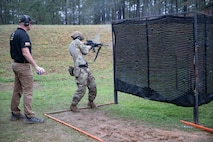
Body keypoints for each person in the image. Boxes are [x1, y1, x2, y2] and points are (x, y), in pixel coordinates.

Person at [9, 14, 46, 123]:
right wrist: (36, 66)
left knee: (17, 90)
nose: (31, 25)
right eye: (30, 23)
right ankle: (29, 116)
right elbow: (25, 52)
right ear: (26, 23)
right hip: (23, 66)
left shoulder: (14, 34)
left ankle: (15, 113)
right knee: (28, 91)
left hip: (15, 64)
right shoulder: (24, 35)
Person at [68, 31, 97, 112]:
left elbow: (82, 50)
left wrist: (88, 45)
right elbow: (85, 51)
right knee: (82, 88)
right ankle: (73, 105)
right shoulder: (76, 42)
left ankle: (91, 102)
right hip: (80, 69)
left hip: (85, 68)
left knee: (92, 85)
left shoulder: (74, 44)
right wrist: (90, 46)